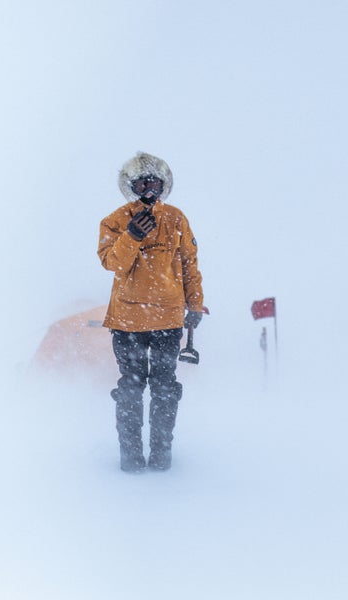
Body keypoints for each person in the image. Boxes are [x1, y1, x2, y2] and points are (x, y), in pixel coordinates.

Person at [98, 151, 205, 472]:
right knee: (131, 388)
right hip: (127, 321)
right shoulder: (115, 221)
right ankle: (130, 456)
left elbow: (189, 264)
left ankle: (161, 455)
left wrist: (195, 304)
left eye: (155, 184)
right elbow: (111, 263)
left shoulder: (176, 219)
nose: (149, 190)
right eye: (143, 183)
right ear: (131, 186)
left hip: (168, 320)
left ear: (164, 186)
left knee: (164, 388)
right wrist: (132, 237)